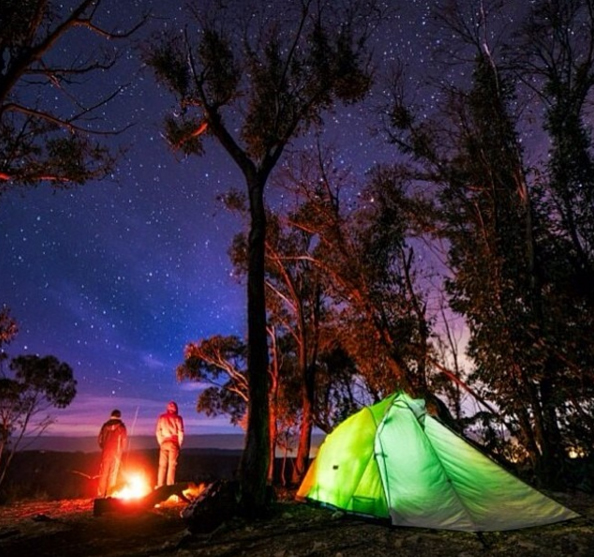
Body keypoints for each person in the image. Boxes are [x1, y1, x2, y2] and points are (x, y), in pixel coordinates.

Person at [97, 409, 127, 498]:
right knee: (113, 474)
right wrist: (121, 450)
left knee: (103, 473)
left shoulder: (105, 426)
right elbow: (124, 441)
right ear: (119, 416)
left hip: (106, 453)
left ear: (111, 415)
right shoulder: (122, 427)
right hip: (116, 453)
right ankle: (109, 494)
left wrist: (104, 447)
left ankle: (101, 493)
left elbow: (99, 440)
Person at [155, 400, 184, 487]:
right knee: (172, 466)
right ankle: (169, 486)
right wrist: (179, 444)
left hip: (164, 443)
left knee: (162, 466)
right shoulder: (178, 418)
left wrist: (161, 442)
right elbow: (181, 432)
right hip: (173, 443)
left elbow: (157, 431)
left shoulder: (161, 417)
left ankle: (159, 486)